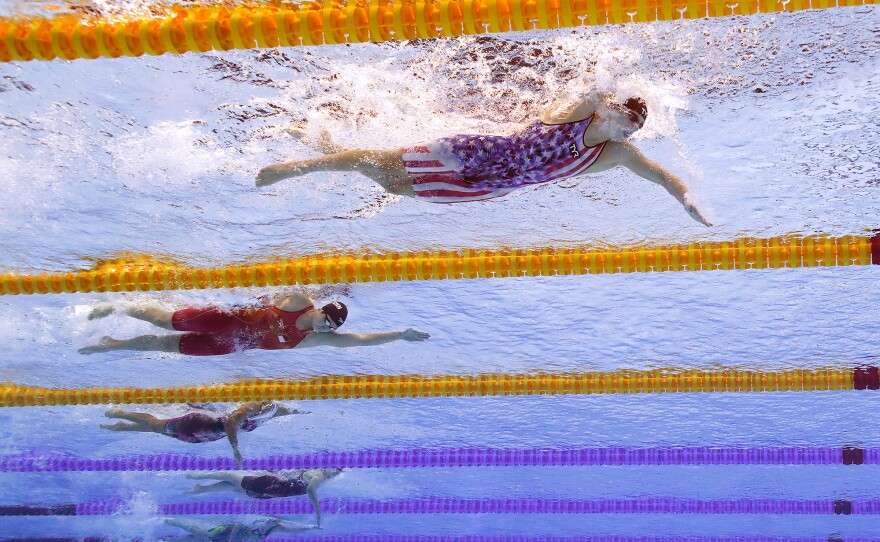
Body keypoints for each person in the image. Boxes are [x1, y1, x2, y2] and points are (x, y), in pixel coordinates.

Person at [255, 94, 711, 226]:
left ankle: (320, 141)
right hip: (477, 153)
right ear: (608, 108)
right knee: (382, 160)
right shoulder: (575, 114)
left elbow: (660, 175)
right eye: (624, 114)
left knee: (390, 183)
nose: (627, 126)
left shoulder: (614, 154)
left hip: (490, 186)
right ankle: (292, 168)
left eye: (635, 124)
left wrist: (686, 198)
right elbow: (598, 83)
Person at [78, 291, 429, 356]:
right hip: (224, 319)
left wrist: (400, 334)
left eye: (329, 329)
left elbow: (360, 340)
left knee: (167, 346)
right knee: (165, 321)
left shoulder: (309, 340)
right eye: (326, 322)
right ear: (321, 310)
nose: (324, 330)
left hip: (229, 345)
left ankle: (115, 344)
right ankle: (120, 306)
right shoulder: (297, 301)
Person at [101, 401, 303, 467]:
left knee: (162, 432)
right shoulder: (254, 406)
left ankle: (124, 426)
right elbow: (232, 420)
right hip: (196, 425)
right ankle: (122, 413)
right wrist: (235, 449)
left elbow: (292, 410)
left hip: (206, 436)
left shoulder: (273, 412)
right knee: (155, 425)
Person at [186, 469, 342, 527]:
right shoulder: (320, 475)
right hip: (265, 495)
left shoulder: (321, 474)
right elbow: (292, 481)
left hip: (266, 485)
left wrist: (318, 512)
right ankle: (202, 489)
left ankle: (196, 475)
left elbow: (310, 489)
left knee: (227, 475)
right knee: (234, 486)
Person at [163, 516, 316, 541]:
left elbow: (293, 531)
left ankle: (167, 539)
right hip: (227, 532)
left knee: (198, 539)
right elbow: (236, 525)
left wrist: (309, 528)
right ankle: (174, 523)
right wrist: (231, 539)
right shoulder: (258, 528)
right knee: (201, 535)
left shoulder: (272, 529)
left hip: (228, 538)